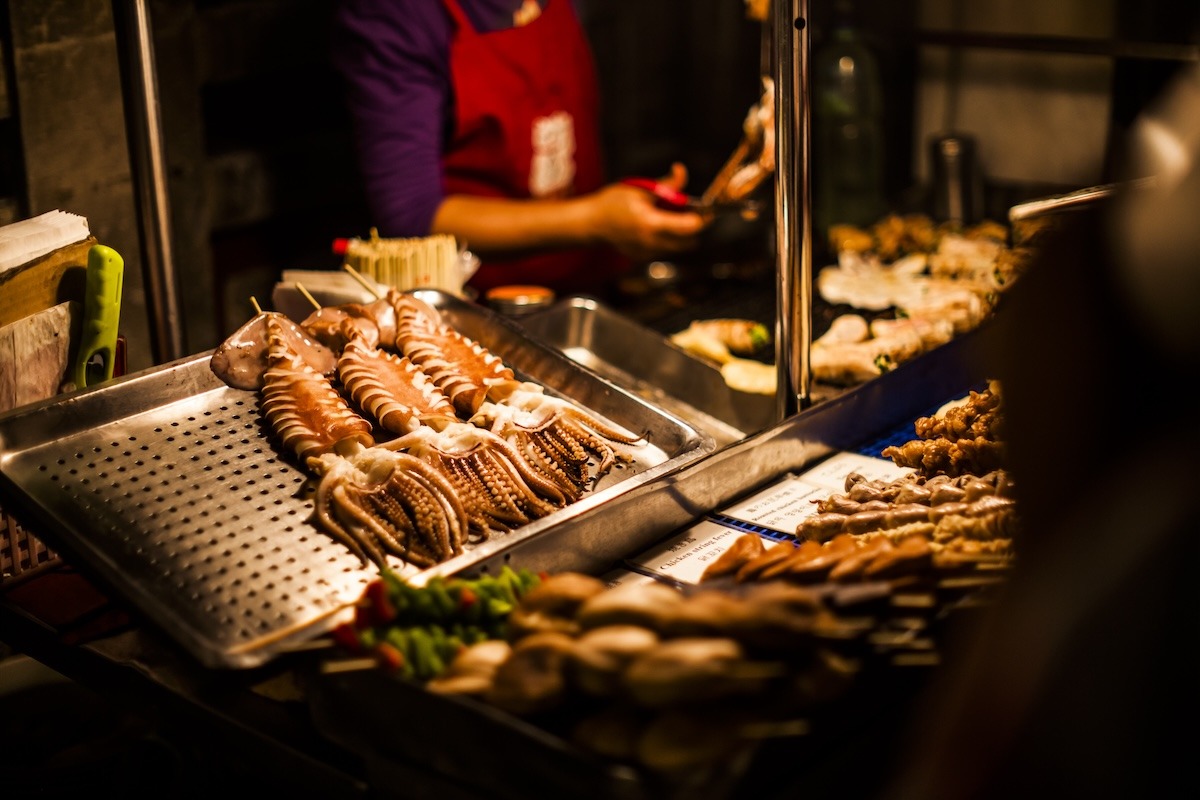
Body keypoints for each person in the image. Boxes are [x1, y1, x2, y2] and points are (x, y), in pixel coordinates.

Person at [329, 0, 711, 300]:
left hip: (587, 288)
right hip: (478, 310)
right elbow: (413, 218)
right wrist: (596, 219)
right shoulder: (395, 13)